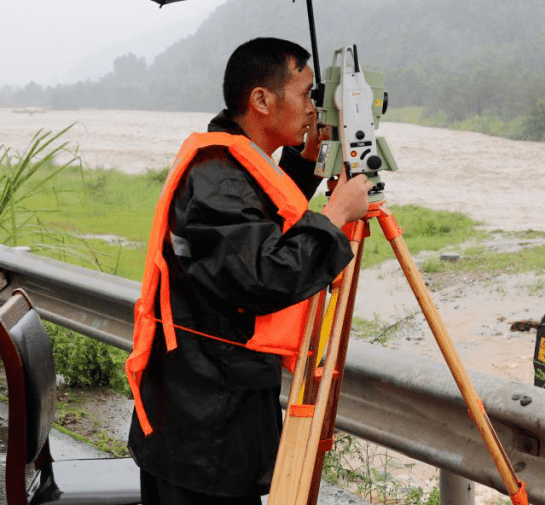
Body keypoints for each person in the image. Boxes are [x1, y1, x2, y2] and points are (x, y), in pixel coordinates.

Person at [125, 37, 372, 505]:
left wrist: (305, 168)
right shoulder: (215, 178)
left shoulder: (232, 163)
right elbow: (264, 273)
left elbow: (260, 219)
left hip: (207, 402)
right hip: (204, 423)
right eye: (304, 94)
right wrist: (336, 215)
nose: (311, 109)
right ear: (261, 100)